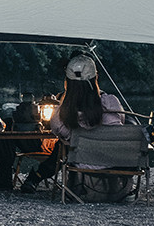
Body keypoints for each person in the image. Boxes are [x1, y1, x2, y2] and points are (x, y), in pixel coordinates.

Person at [50, 52, 133, 202]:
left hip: (83, 164)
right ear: (96, 78)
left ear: (67, 82)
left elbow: (57, 130)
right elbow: (119, 125)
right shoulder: (111, 102)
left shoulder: (62, 114)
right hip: (114, 162)